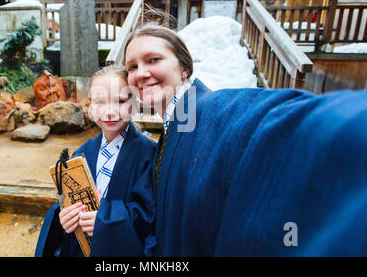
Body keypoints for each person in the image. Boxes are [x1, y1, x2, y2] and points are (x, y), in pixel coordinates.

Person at [123, 23, 367, 256]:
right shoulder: (172, 128)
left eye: (154, 60)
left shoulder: (212, 108)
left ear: (184, 68)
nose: (141, 73)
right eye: (132, 67)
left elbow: (283, 123)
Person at [35, 65, 156, 257]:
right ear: (90, 105)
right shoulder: (81, 153)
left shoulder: (149, 155)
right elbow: (68, 201)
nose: (109, 112)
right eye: (100, 102)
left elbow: (150, 216)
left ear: (134, 104)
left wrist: (106, 219)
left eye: (120, 101)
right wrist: (65, 217)